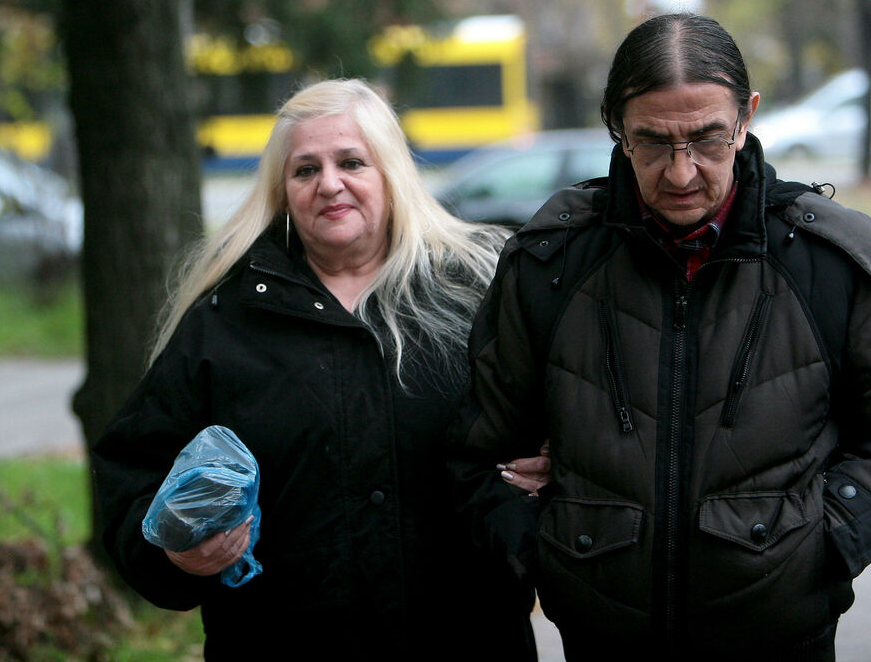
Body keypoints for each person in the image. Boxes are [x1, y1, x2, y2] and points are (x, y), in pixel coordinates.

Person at [449, 14, 871, 660]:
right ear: (615, 126)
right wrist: (545, 555)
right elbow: (477, 454)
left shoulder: (828, 263)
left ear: (746, 119)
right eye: (652, 142)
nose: (681, 173)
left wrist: (823, 544)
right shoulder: (551, 265)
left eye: (708, 139)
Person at [92, 78, 537, 660]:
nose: (329, 183)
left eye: (351, 162)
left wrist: (552, 464)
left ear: (392, 175)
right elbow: (132, 475)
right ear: (282, 192)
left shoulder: (476, 295)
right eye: (305, 170)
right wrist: (174, 550)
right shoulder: (225, 321)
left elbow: (577, 419)